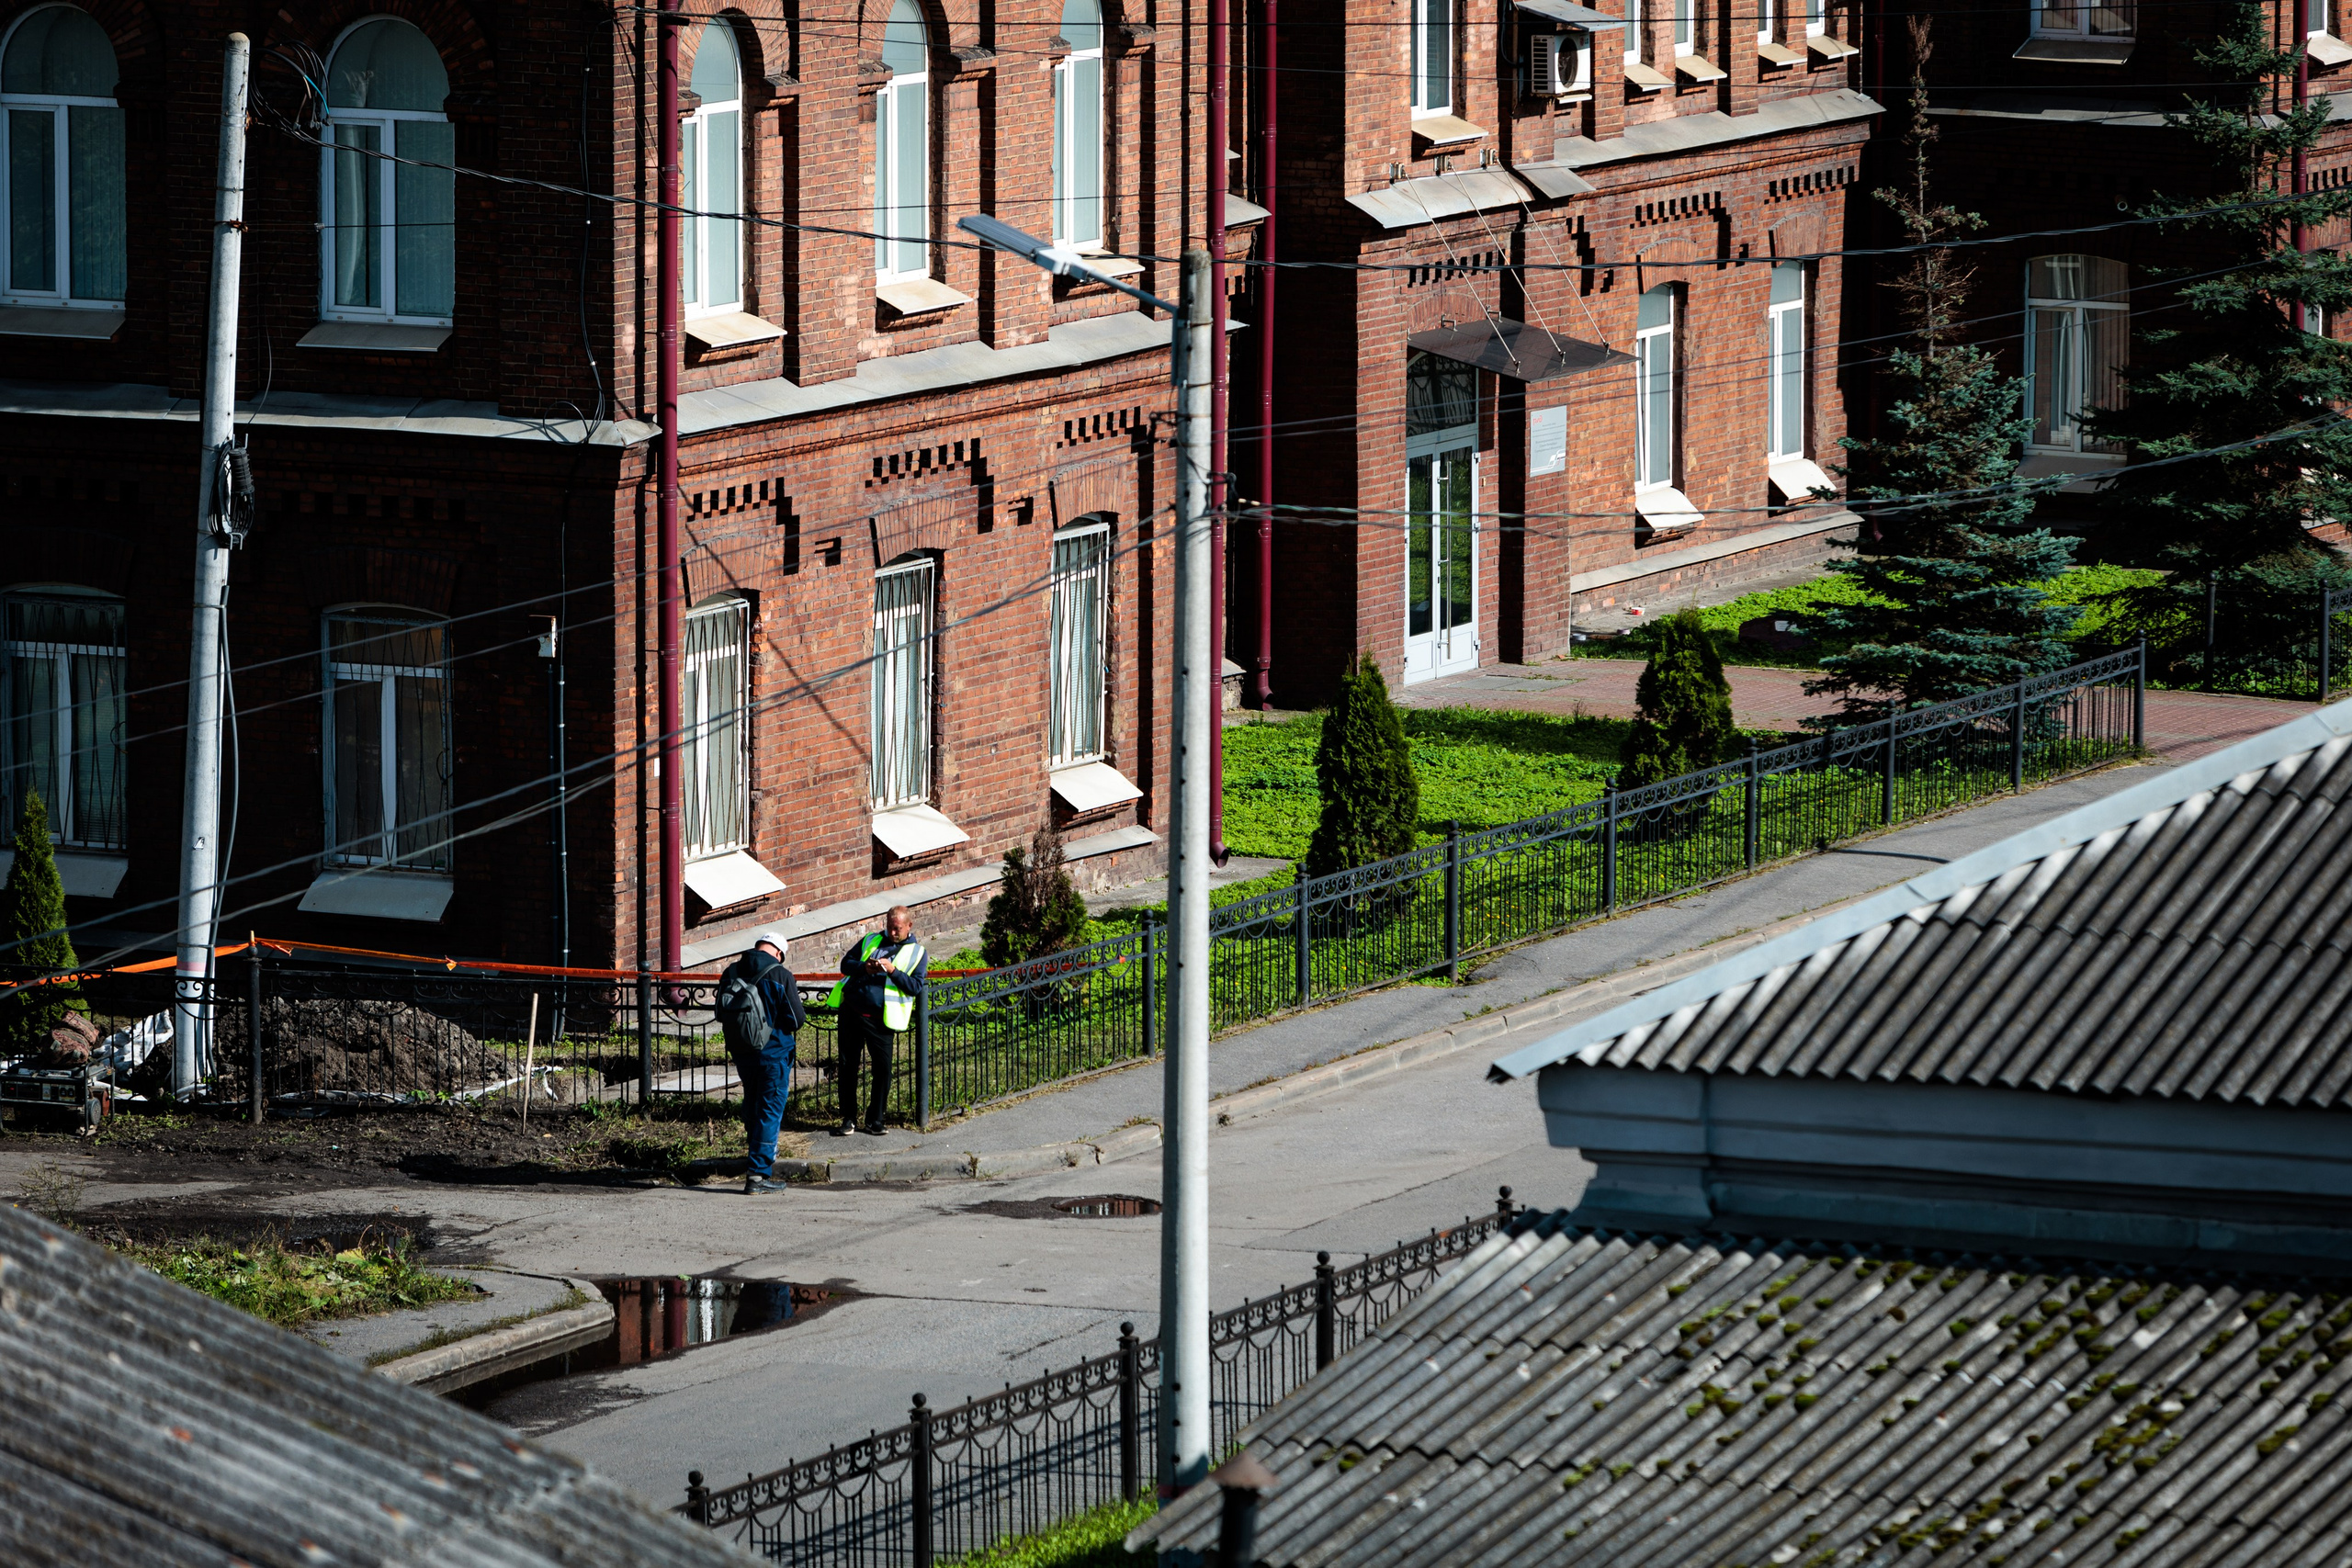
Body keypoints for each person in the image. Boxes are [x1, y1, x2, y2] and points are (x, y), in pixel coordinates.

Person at [829, 905, 926, 1136]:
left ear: (909, 926)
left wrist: (893, 971)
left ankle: (875, 1119)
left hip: (881, 1019)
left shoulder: (917, 953)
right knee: (847, 1066)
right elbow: (845, 965)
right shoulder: (870, 940)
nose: (892, 932)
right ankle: (848, 1118)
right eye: (889, 927)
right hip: (852, 1011)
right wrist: (865, 967)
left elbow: (915, 986)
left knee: (882, 1069)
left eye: (897, 929)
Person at [720, 931, 805, 1194]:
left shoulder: (731, 971)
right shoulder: (780, 975)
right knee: (769, 1109)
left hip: (742, 1051)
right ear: (779, 953)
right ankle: (757, 1175)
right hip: (774, 1052)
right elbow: (796, 1019)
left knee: (753, 1104)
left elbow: (721, 1011)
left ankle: (755, 1154)